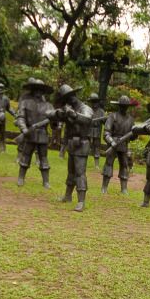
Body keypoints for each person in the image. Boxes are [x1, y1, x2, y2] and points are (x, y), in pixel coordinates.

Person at [51, 84, 94, 212]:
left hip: (82, 144)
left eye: (70, 97)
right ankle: (68, 196)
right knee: (71, 172)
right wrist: (58, 115)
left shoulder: (85, 108)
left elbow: (87, 120)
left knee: (80, 173)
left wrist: (74, 115)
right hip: (71, 144)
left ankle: (81, 201)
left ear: (74, 95)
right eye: (66, 98)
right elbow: (54, 118)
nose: (69, 100)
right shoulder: (68, 109)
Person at [13, 78, 54, 188]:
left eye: (41, 90)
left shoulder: (49, 106)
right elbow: (20, 117)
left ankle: (46, 181)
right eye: (36, 89)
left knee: (44, 158)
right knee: (25, 156)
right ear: (33, 90)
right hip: (29, 134)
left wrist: (57, 121)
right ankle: (21, 178)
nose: (38, 92)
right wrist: (24, 129)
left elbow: (54, 124)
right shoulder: (25, 103)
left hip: (43, 135)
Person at [101, 95, 135, 194]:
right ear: (119, 106)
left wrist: (135, 134)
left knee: (124, 165)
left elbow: (132, 135)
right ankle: (104, 187)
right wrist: (111, 141)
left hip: (124, 144)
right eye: (122, 106)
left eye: (126, 106)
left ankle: (124, 188)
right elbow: (106, 132)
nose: (124, 108)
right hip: (113, 143)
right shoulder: (113, 116)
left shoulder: (130, 119)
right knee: (109, 163)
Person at [87, 93, 105, 170]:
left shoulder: (101, 111)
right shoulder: (88, 110)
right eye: (93, 102)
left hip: (97, 131)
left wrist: (104, 119)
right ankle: (83, 161)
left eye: (95, 102)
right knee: (86, 145)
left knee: (97, 147)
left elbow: (104, 122)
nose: (94, 104)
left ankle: (96, 164)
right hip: (88, 130)